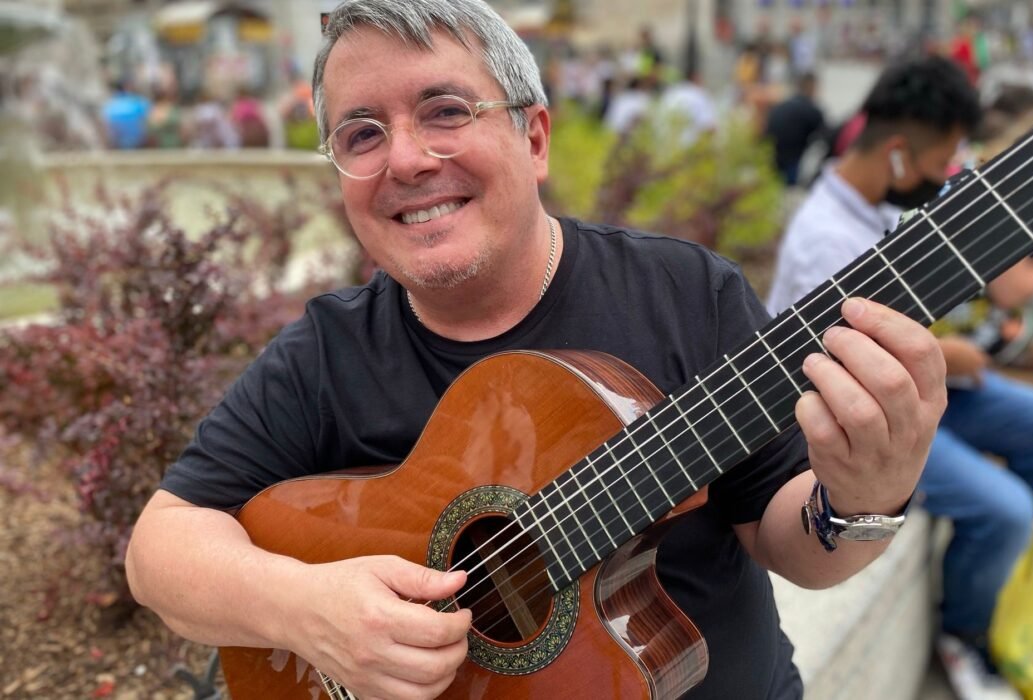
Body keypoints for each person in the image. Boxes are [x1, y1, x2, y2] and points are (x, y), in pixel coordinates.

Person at [124, 2, 947, 699]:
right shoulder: (326, 353)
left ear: (536, 138)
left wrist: (862, 499)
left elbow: (793, 545)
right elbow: (160, 550)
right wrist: (306, 609)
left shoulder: (685, 295)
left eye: (446, 111)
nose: (406, 159)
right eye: (362, 133)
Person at [766, 56, 1033, 700]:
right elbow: (841, 378)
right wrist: (954, 355)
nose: (943, 176)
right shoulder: (828, 241)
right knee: (1005, 510)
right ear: (895, 154)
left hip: (931, 388)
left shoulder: (872, 208)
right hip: (865, 419)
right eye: (940, 162)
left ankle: (994, 577)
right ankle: (965, 633)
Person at [763, 72, 826, 185]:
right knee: (789, 189)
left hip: (771, 155)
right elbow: (825, 136)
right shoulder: (812, 111)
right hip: (791, 160)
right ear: (812, 87)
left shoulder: (782, 105)